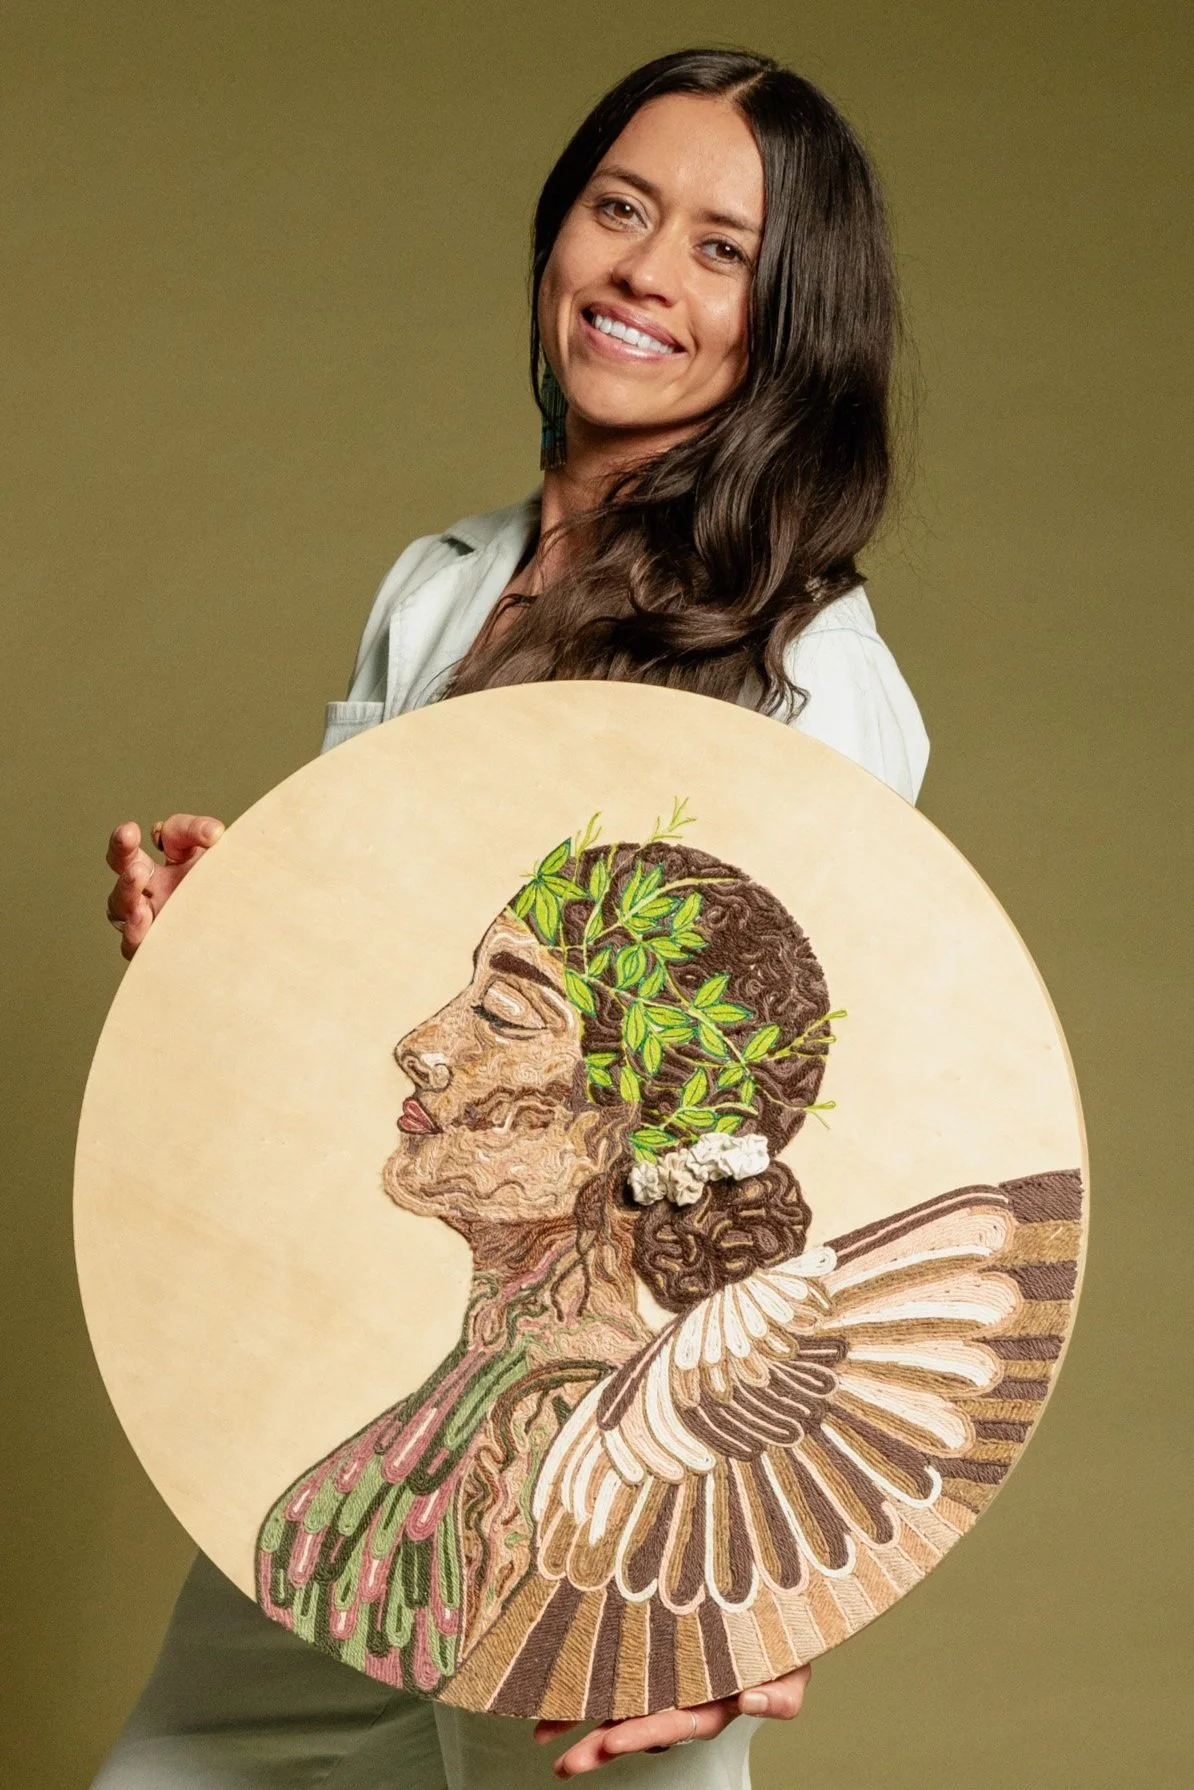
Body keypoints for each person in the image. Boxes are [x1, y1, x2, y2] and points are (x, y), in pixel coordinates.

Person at [98, 45, 930, 1790]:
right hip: (366, 1395)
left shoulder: (804, 682)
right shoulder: (444, 583)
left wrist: (762, 1598)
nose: (643, 269)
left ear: (789, 328)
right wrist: (228, 945)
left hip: (615, 1485)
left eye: (721, 248)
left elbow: (822, 1143)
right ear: (556, 235)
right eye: (619, 209)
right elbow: (393, 999)